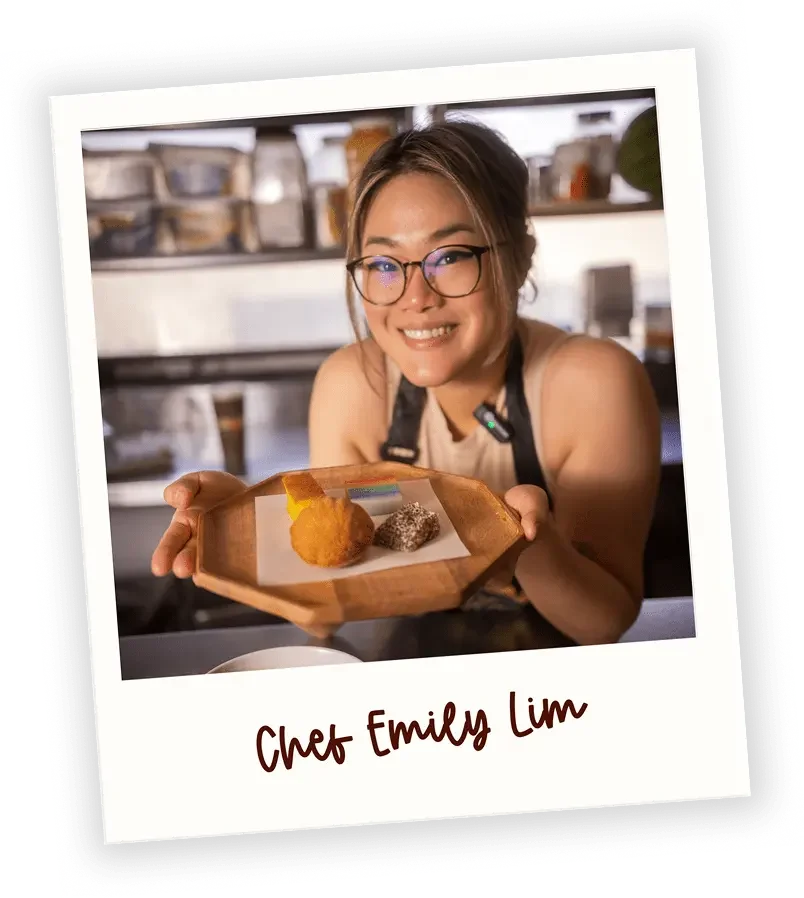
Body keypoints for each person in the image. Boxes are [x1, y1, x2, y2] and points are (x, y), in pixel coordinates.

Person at [151, 120, 661, 646]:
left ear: (520, 257)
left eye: (450, 257)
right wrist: (249, 527)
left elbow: (603, 624)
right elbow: (325, 615)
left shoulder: (592, 384)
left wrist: (529, 541)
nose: (416, 297)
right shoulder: (354, 387)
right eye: (384, 264)